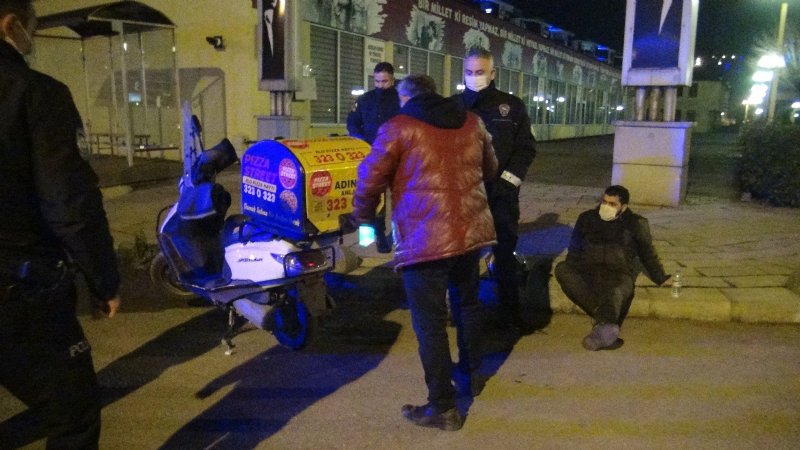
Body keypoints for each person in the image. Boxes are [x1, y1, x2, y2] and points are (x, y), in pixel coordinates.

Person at [0, 1, 122, 448]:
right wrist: (103, 280)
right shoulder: (34, 93)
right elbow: (69, 202)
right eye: (31, 29)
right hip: (19, 287)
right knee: (74, 413)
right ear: (11, 25)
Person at [351, 75, 497, 431]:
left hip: (424, 239)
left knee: (430, 323)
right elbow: (490, 168)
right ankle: (471, 376)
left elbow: (369, 179)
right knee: (467, 306)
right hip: (469, 233)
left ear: (405, 97)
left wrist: (364, 219)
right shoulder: (472, 122)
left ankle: (443, 407)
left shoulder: (398, 127)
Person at [455, 47, 536, 332]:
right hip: (464, 198)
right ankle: (465, 317)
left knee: (504, 258)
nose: (474, 77)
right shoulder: (452, 107)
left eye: (480, 72)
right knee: (464, 260)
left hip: (501, 197)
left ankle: (510, 316)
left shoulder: (511, 107)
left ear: (492, 73)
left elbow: (525, 149)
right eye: (469, 72)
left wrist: (506, 184)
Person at [554, 185, 671, 351]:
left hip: (619, 274)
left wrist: (661, 278)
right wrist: (574, 271)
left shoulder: (636, 223)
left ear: (624, 207)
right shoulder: (587, 218)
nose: (606, 206)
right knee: (562, 269)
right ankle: (604, 319)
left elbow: (647, 253)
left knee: (615, 293)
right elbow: (575, 248)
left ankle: (603, 330)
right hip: (589, 270)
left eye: (612, 204)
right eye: (604, 202)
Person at [347, 61, 401, 253]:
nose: (380, 85)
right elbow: (353, 121)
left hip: (396, 154)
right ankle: (378, 235)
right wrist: (360, 139)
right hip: (373, 154)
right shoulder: (366, 100)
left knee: (399, 196)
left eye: (384, 81)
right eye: (377, 81)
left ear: (392, 80)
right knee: (374, 196)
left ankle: (398, 233)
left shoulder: (401, 99)